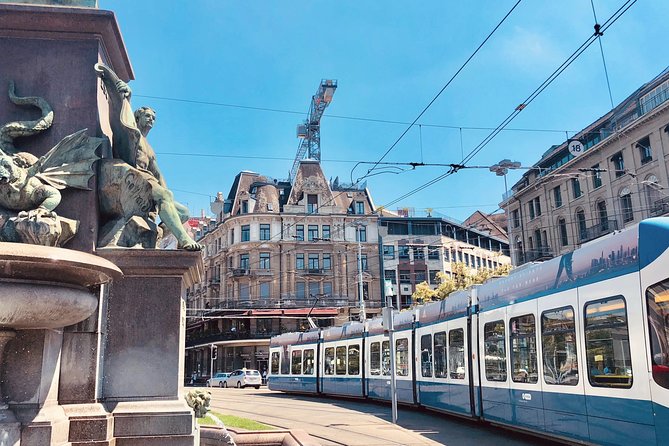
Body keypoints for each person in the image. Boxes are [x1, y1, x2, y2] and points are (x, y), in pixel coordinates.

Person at [95, 63, 202, 251]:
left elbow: (158, 174)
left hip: (149, 185)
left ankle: (157, 233)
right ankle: (184, 239)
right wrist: (127, 97)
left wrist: (167, 195)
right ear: (137, 118)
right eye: (147, 116)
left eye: (153, 118)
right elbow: (120, 117)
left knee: (183, 212)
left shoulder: (149, 147)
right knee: (165, 196)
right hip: (130, 181)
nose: (151, 119)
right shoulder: (131, 133)